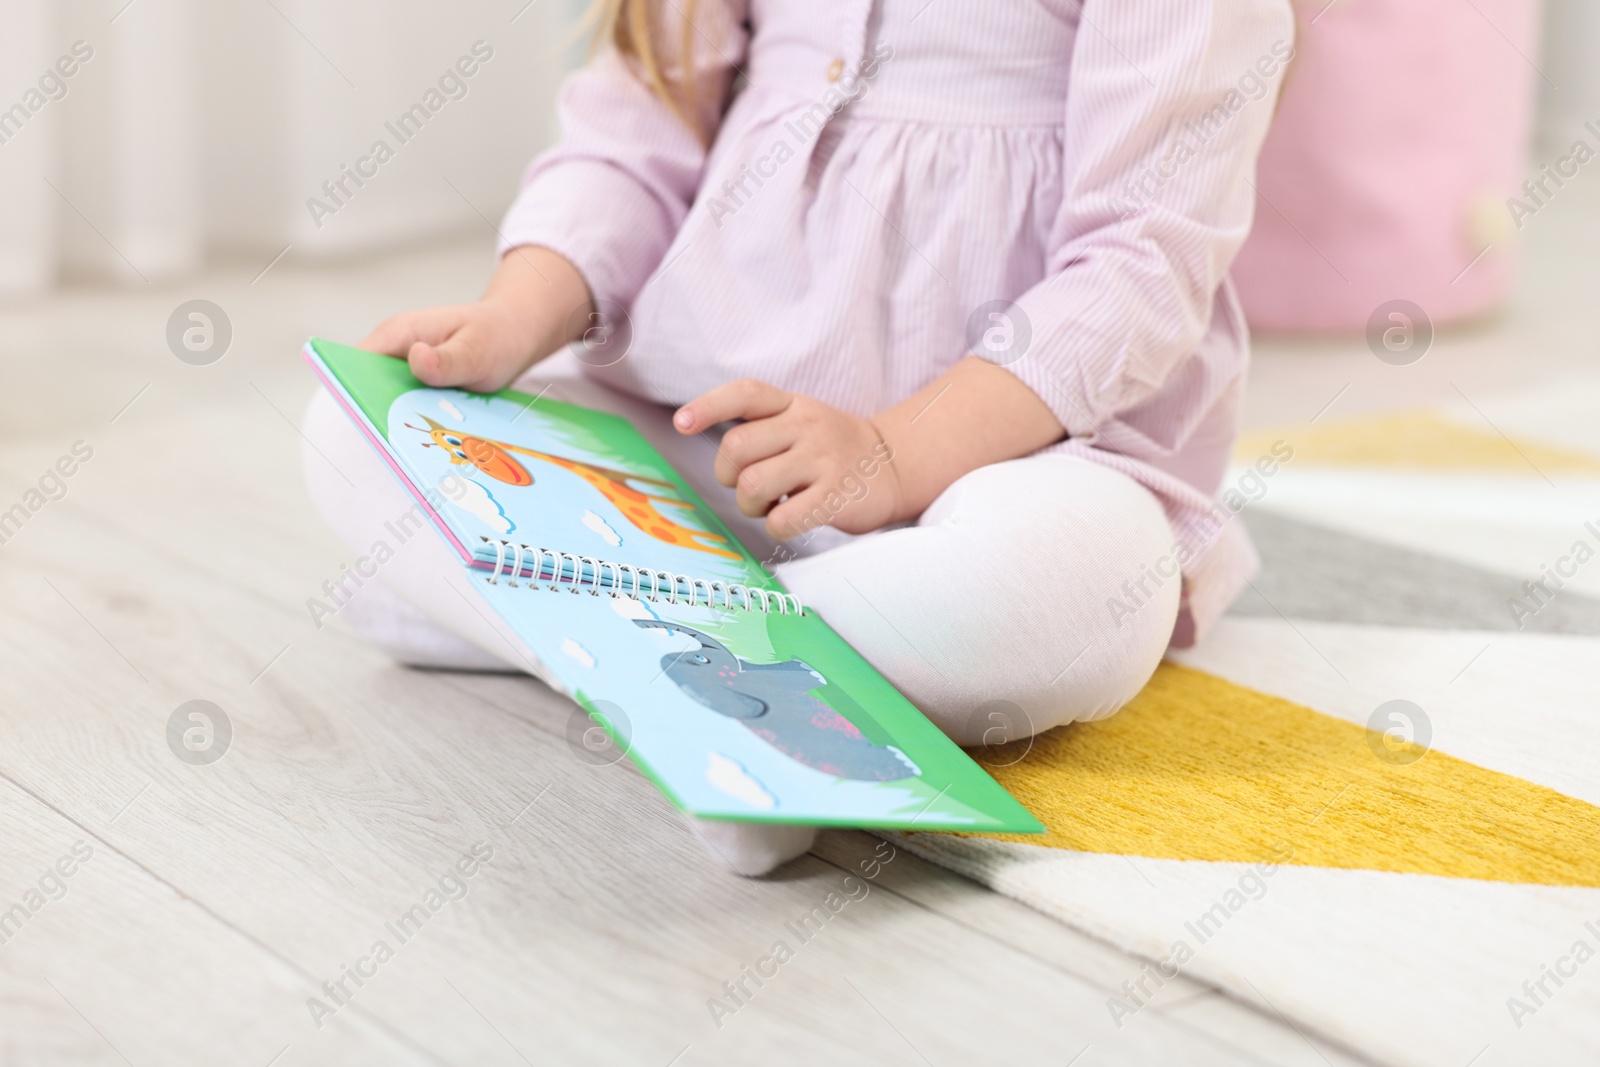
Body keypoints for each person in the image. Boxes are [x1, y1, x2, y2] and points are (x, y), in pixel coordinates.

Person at [303, 0, 1293, 875]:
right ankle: (756, 708)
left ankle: (613, 650)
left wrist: (896, 452)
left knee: (1086, 586)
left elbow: (1140, 264)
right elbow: (630, 148)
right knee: (356, 430)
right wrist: (515, 314)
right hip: (707, 433)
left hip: (1010, 460)